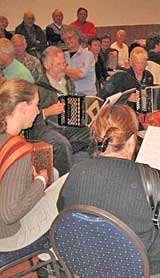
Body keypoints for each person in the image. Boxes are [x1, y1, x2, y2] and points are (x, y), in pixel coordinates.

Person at [57, 104, 160, 277]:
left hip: (86, 266)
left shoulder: (76, 172)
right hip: (143, 271)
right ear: (131, 141)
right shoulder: (152, 179)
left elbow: (63, 211)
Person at [26, 46, 92, 176]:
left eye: (64, 63)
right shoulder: (38, 87)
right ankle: (65, 179)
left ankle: (88, 170)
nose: (63, 67)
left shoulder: (67, 82)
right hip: (46, 128)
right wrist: (46, 112)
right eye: (59, 64)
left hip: (67, 125)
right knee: (62, 144)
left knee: (92, 132)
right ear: (46, 65)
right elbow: (28, 119)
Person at [0, 79, 48, 255]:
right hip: (7, 237)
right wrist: (41, 181)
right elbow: (9, 214)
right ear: (22, 107)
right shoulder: (18, 148)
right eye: (36, 105)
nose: (37, 111)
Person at [62, 26, 97, 95]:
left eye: (69, 38)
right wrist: (75, 72)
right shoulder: (63, 56)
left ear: (77, 37)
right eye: (65, 39)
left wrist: (63, 71)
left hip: (87, 95)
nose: (67, 41)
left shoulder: (88, 55)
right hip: (69, 95)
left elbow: (81, 75)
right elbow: (59, 76)